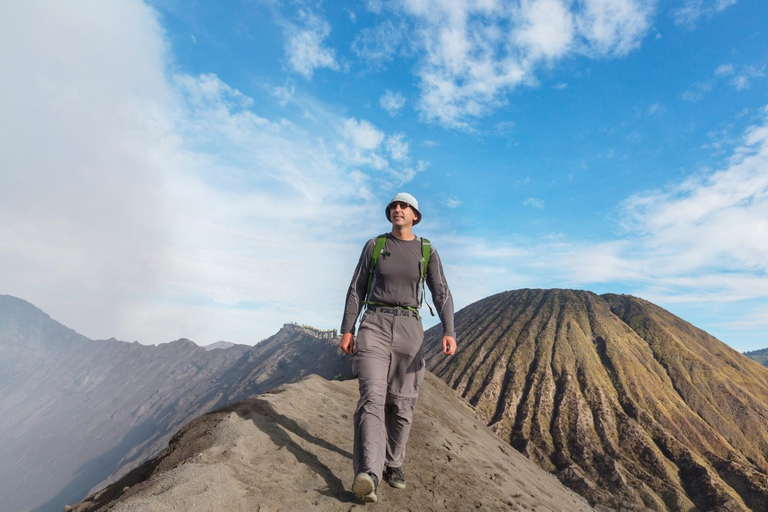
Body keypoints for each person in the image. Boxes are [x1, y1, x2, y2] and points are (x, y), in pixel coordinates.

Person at [339, 192, 457, 503]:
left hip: (410, 328)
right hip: (374, 324)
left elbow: (441, 292)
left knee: (403, 404)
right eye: (394, 206)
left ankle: (394, 463)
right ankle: (369, 473)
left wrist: (449, 330)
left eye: (404, 206)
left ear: (415, 215)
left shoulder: (426, 250)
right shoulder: (375, 246)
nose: (398, 209)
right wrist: (347, 329)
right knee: (372, 397)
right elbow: (357, 288)